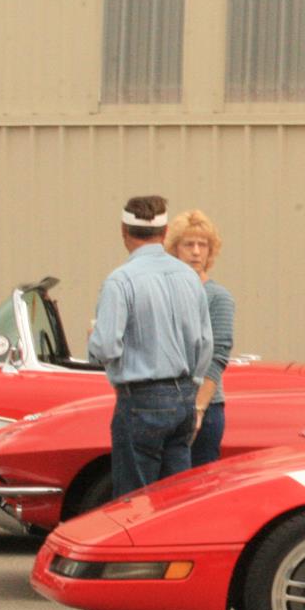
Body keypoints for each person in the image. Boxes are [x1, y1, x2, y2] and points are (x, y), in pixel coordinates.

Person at [88, 195, 212, 500]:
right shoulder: (189, 277)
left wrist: (93, 342)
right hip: (184, 394)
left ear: (123, 231)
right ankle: (178, 549)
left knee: (134, 502)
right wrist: (192, 386)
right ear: (166, 230)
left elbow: (105, 347)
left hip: (141, 397)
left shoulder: (121, 281)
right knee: (176, 498)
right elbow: (205, 342)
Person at [165, 209, 235, 467]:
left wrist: (198, 408)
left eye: (202, 245)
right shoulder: (163, 292)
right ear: (175, 249)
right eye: (188, 244)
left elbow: (218, 357)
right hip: (166, 404)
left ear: (210, 251)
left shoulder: (217, 297)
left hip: (205, 406)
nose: (196, 251)